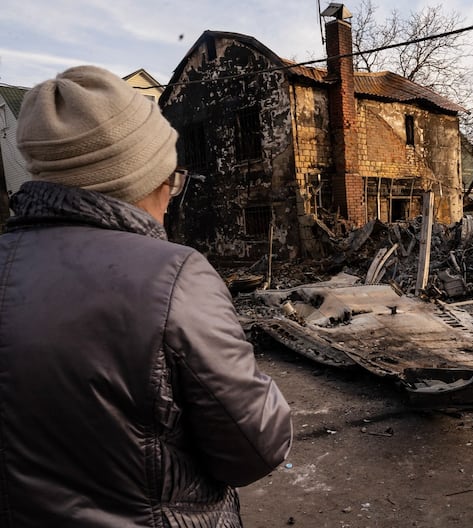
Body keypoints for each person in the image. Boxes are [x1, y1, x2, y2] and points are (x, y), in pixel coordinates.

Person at [0, 65, 292, 527]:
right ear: (143, 183)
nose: (171, 197)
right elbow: (256, 447)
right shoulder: (174, 277)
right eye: (171, 180)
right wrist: (261, 388)